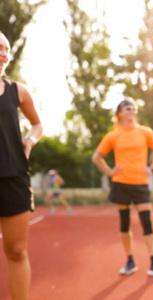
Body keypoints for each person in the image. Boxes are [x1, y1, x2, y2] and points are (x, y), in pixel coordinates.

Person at [92, 98, 153, 277]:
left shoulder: (145, 132)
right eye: (128, 108)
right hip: (121, 183)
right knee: (125, 223)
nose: (132, 111)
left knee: (147, 221)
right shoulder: (113, 135)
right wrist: (109, 171)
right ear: (120, 113)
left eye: (134, 108)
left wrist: (152, 170)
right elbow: (96, 157)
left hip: (140, 183)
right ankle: (130, 260)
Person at [0, 31, 43, 300]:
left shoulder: (19, 90)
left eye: (6, 48)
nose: (3, 52)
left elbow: (37, 124)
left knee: (17, 250)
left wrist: (29, 140)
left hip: (14, 177)